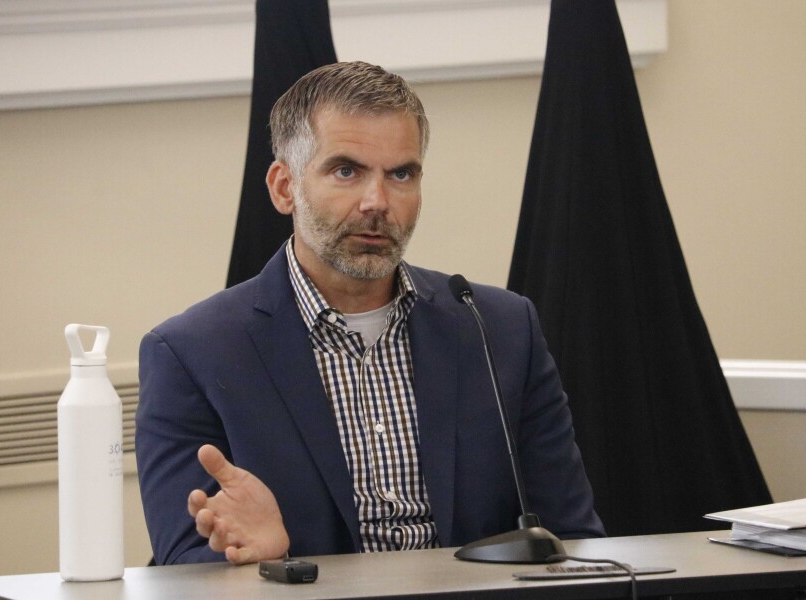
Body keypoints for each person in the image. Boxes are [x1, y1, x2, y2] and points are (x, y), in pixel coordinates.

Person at [136, 61, 604, 566]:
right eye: (346, 171)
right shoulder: (192, 353)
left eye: (401, 174)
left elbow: (574, 540)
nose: (377, 202)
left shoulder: (500, 329)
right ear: (284, 187)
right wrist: (271, 560)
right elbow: (182, 566)